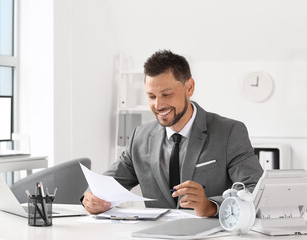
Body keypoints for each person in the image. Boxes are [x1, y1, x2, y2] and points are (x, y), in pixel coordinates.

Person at [82, 50, 263, 217]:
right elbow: (104, 186)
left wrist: (211, 206)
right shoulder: (140, 137)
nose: (158, 105)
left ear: (189, 87)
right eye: (151, 96)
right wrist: (90, 199)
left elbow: (255, 191)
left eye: (166, 94)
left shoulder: (229, 132)